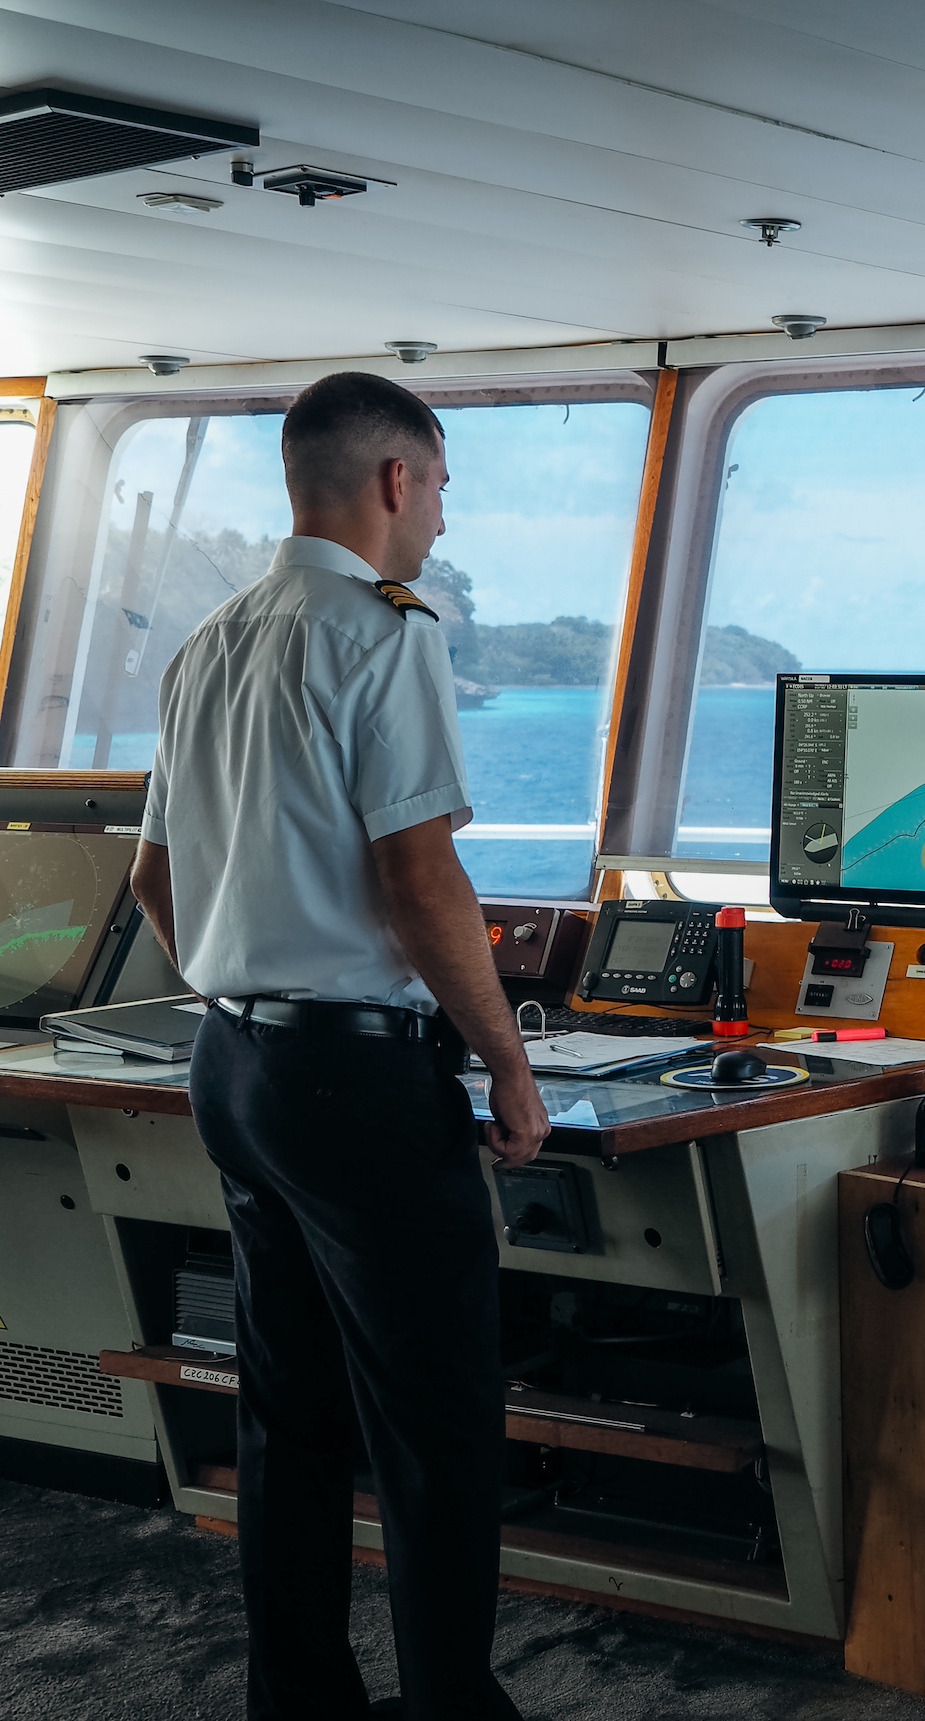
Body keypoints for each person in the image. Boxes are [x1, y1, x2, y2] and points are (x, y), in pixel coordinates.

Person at [129, 371, 550, 1721]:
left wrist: (242, 973)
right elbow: (421, 879)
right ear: (395, 479)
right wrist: (510, 1065)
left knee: (289, 1409)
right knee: (436, 1424)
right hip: (356, 1079)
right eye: (441, 490)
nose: (441, 521)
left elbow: (151, 879)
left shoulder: (211, 642)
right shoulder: (386, 634)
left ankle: (300, 1700)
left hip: (235, 1066)